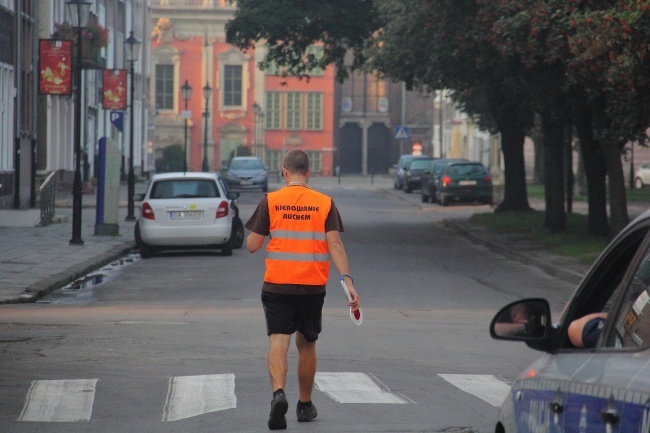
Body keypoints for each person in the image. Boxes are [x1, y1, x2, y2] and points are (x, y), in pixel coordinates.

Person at [245, 150, 360, 430]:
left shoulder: (271, 201)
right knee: (307, 344)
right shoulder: (324, 203)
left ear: (284, 172)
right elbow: (335, 244)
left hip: (277, 285)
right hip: (311, 286)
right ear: (309, 173)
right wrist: (347, 279)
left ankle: (278, 394)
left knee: (278, 340)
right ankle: (305, 406)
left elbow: (252, 245)